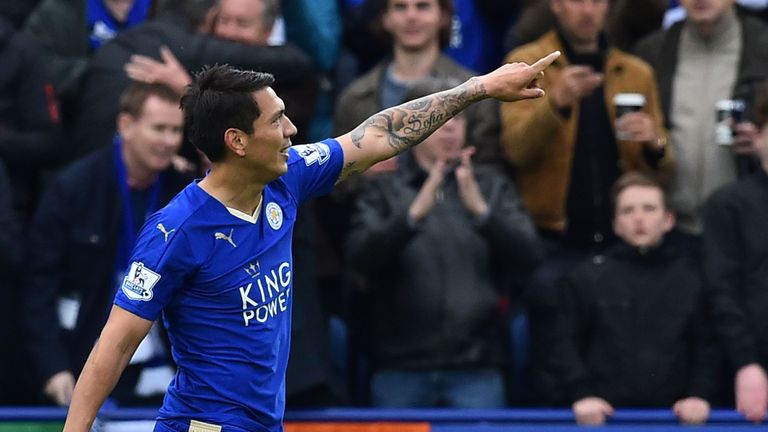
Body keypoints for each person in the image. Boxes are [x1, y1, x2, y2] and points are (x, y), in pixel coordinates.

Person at [62, 52, 561, 431]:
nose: (292, 130)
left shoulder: (286, 179)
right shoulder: (176, 233)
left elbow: (377, 136)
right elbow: (117, 340)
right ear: (236, 141)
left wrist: (477, 88)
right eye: (276, 120)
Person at [499, 0, 671, 405]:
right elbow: (516, 150)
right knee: (549, 348)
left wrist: (655, 143)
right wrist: (556, 103)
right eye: (576, 0)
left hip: (619, 240)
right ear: (556, 6)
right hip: (552, 237)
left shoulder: (635, 71)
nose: (586, 10)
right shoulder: (525, 64)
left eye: (596, 0)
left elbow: (664, 168)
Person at [346, 78, 542, 408]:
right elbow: (360, 259)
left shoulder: (490, 185)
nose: (450, 129)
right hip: (399, 366)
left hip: (478, 365)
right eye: (441, 119)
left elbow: (530, 256)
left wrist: (483, 213)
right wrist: (410, 218)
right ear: (413, 126)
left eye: (459, 118)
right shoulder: (384, 188)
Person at [22, 82, 192, 407]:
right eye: (159, 128)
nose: (169, 141)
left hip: (167, 370)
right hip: (85, 360)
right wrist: (53, 368)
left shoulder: (185, 192)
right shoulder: (74, 188)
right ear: (126, 125)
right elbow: (38, 288)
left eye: (176, 130)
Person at [554, 171, 716, 425]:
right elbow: (563, 342)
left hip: (675, 419)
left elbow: (708, 344)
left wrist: (699, 394)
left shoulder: (693, 277)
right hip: (604, 418)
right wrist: (581, 394)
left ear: (669, 220)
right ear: (616, 224)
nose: (639, 218)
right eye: (628, 211)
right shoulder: (588, 277)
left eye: (649, 209)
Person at [634, 0, 768, 256]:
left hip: (746, 224)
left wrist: (760, 149)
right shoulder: (652, 52)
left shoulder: (762, 48)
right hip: (668, 225)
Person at [702, 79, 768, 423]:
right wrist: (747, 363)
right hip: (744, 369)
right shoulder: (727, 205)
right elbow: (721, 291)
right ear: (756, 137)